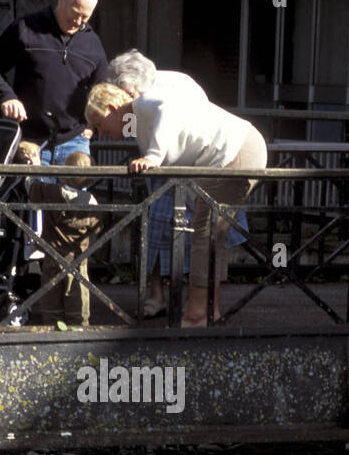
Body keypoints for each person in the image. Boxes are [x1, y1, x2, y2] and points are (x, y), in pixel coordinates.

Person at [86, 65, 267, 326]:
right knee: (211, 233)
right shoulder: (141, 117)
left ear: (112, 110)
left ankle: (197, 315)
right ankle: (207, 311)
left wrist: (153, 156)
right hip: (235, 150)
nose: (101, 135)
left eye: (100, 125)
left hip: (235, 151)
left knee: (205, 233)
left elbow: (168, 109)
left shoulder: (143, 102)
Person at [0, 0, 109, 168]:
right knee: (30, 197)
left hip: (75, 143)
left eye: (85, 17)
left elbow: (102, 91)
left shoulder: (93, 44)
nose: (78, 21)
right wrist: (6, 97)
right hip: (28, 140)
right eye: (75, 13)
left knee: (74, 199)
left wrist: (94, 126)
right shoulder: (25, 28)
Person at [23, 148, 100, 327]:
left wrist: (35, 164)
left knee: (51, 312)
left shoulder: (50, 192)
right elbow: (97, 227)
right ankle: (79, 345)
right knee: (79, 313)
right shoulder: (90, 200)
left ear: (63, 175)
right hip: (78, 263)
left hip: (52, 260)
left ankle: (53, 343)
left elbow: (31, 185)